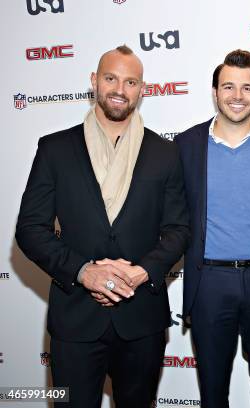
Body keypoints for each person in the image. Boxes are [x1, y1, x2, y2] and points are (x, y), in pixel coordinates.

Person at [15, 45, 189, 407]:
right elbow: (31, 228)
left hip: (141, 319)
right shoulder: (55, 149)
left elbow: (178, 229)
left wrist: (142, 272)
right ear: (94, 81)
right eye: (111, 78)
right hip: (76, 319)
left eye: (130, 82)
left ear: (142, 90)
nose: (119, 89)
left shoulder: (165, 153)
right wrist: (83, 272)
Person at [174, 49, 250, 408]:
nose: (237, 96)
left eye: (247, 88)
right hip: (209, 281)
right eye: (228, 87)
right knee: (212, 391)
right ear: (214, 91)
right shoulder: (185, 146)